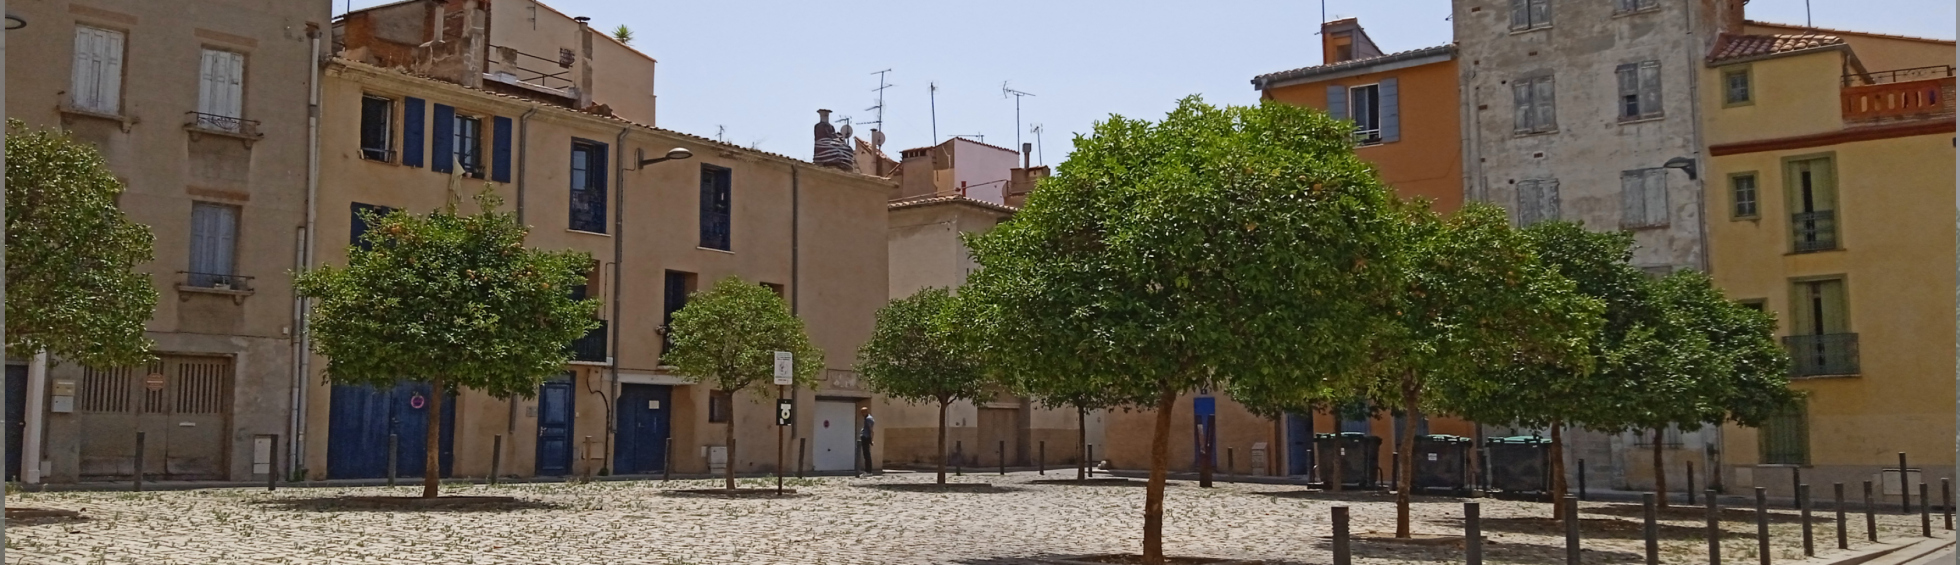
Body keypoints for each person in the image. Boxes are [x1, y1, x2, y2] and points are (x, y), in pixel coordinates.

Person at [858, 406, 876, 476]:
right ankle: (867, 470)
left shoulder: (868, 419)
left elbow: (871, 430)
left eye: (863, 412)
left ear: (866, 412)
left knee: (867, 455)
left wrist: (871, 440)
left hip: (866, 437)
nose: (862, 414)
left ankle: (868, 471)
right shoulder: (867, 418)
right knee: (866, 454)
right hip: (865, 437)